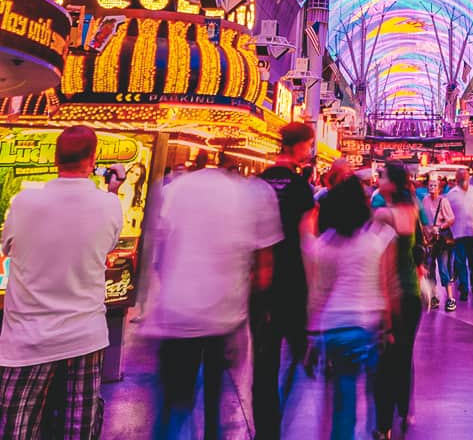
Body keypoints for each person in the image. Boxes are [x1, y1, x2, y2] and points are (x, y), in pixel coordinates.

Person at [144, 151, 282, 440]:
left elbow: (159, 245)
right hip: (223, 315)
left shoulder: (176, 188)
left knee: (174, 404)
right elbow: (265, 268)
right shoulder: (253, 195)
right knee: (215, 402)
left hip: (175, 312)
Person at [0, 126, 122, 440]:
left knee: (16, 426)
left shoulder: (24, 202)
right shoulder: (109, 205)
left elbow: (7, 247)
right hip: (84, 335)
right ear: (93, 159)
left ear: (56, 158)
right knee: (79, 428)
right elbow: (107, 245)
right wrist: (113, 188)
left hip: (26, 338)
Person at [303, 176, 394, 440]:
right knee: (371, 386)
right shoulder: (375, 242)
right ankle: (377, 427)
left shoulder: (325, 244)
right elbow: (383, 288)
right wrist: (387, 327)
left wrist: (310, 337)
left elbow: (318, 294)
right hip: (365, 326)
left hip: (334, 328)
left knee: (342, 394)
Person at [252, 120, 316, 440]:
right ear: (300, 146)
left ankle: (266, 429)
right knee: (296, 352)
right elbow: (308, 240)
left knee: (263, 361)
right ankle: (284, 412)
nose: (310, 150)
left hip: (260, 286)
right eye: (308, 144)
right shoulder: (301, 188)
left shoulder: (258, 183)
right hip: (292, 283)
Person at [373, 162, 425, 440]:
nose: (378, 179)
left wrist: (383, 305)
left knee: (385, 360)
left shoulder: (383, 215)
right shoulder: (412, 209)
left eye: (382, 176)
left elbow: (379, 263)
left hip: (391, 295)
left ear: (392, 182)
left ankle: (383, 424)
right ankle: (404, 408)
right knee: (404, 355)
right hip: (412, 293)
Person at [420, 175, 456, 310]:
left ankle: (450, 298)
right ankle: (434, 296)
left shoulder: (443, 201)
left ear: (439, 188)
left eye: (435, 185)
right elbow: (423, 219)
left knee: (443, 267)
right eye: (430, 185)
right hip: (430, 240)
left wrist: (440, 227)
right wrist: (426, 232)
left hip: (441, 240)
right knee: (430, 268)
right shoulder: (425, 200)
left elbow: (451, 218)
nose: (432, 187)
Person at [449, 167, 473, 301]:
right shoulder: (451, 195)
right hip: (458, 233)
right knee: (460, 261)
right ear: (457, 179)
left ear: (468, 177)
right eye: (461, 177)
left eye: (465, 176)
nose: (463, 179)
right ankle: (464, 288)